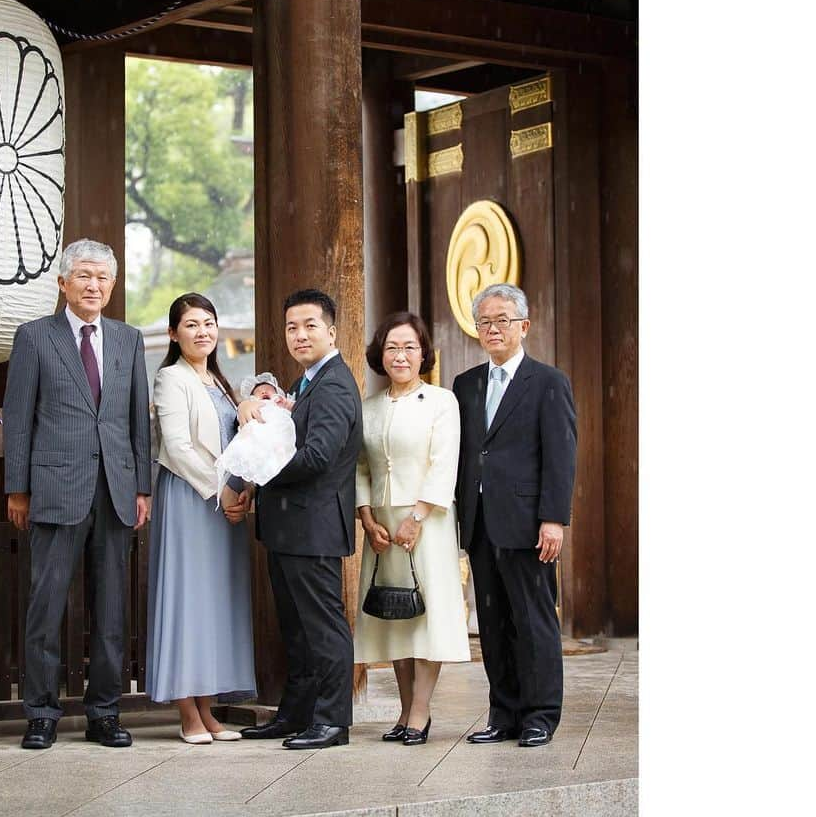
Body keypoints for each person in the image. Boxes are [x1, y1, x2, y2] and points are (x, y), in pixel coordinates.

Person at [3, 239, 152, 750]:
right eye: (84, 276)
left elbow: (137, 420)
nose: (93, 286)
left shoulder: (130, 339)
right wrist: (17, 489)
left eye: (102, 278)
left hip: (115, 490)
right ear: (63, 283)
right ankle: (41, 714)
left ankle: (104, 714)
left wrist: (142, 488)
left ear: (112, 285)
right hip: (54, 489)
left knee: (112, 611)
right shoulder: (34, 337)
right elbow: (18, 420)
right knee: (46, 606)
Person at [237, 289, 363, 750]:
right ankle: (297, 713)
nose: (300, 334)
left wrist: (257, 469)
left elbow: (316, 457)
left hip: (314, 528)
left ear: (331, 331)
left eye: (310, 325)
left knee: (323, 627)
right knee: (296, 628)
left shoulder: (333, 384)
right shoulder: (307, 382)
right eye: (292, 326)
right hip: (291, 527)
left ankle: (332, 720)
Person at [453, 284, 577, 749]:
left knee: (534, 620)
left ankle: (540, 715)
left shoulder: (548, 382)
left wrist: (554, 518)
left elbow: (561, 456)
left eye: (503, 319)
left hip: (529, 524)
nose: (493, 329)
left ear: (524, 325)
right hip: (481, 523)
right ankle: (503, 713)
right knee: (493, 622)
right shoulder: (466, 385)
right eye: (484, 321)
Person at [354, 312, 470, 745]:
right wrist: (366, 516)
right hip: (382, 523)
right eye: (391, 347)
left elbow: (445, 462)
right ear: (379, 355)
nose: (400, 355)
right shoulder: (369, 407)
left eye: (409, 347)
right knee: (394, 615)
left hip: (428, 520)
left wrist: (417, 516)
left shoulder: (442, 402)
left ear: (423, 354)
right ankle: (404, 710)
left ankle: (420, 712)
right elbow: (361, 466)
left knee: (428, 616)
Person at [147, 294, 257, 744]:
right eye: (191, 324)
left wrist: (245, 488)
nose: (203, 332)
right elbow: (176, 446)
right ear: (174, 334)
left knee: (216, 603)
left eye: (209, 323)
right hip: (191, 498)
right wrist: (222, 490)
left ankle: (209, 711)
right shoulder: (170, 378)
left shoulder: (220, 380)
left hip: (226, 503)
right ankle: (187, 713)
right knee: (188, 599)